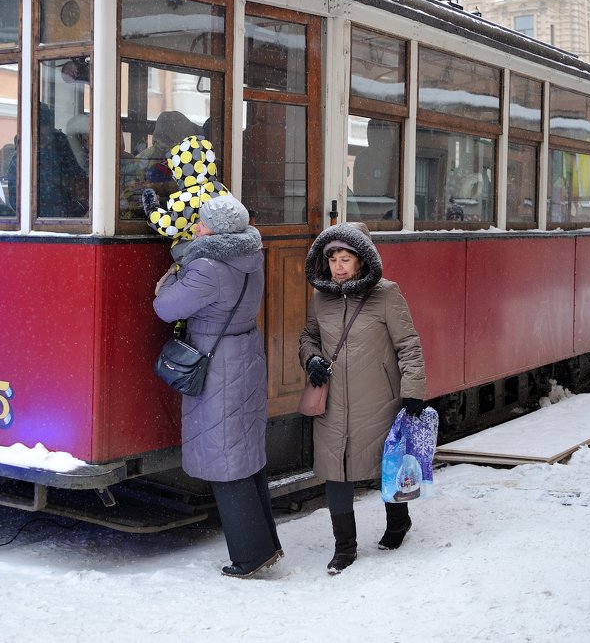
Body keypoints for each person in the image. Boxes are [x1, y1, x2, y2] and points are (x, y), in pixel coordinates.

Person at [151, 195, 281, 578]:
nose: (196, 228)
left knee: (226, 458)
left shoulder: (206, 266)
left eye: (202, 224)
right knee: (245, 453)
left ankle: (249, 556)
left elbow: (165, 307)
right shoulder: (249, 258)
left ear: (216, 230)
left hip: (218, 360)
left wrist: (178, 269)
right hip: (244, 352)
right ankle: (265, 544)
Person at [298, 221, 427, 575]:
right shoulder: (320, 297)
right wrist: (311, 360)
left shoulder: (387, 294)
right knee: (335, 473)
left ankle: (398, 522)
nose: (339, 266)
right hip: (333, 403)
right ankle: (345, 547)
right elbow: (308, 337)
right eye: (333, 259)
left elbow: (408, 346)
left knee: (385, 467)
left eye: (346, 259)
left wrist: (412, 393)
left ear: (362, 260)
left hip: (378, 400)